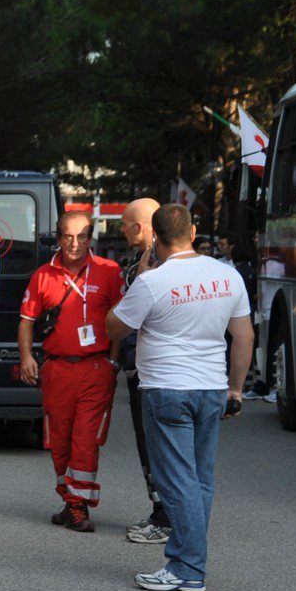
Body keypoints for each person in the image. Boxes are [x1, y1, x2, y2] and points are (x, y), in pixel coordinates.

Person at [107, 204, 252, 591]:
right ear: (193, 229)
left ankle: (187, 566)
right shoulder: (228, 275)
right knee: (200, 478)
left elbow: (115, 327)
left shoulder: (153, 281)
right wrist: (235, 390)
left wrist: (138, 278)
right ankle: (189, 561)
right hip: (211, 387)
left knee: (176, 481)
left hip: (167, 388)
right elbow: (244, 335)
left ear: (155, 237)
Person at [17, 212, 123, 532]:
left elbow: (122, 318)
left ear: (91, 237)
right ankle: (70, 500)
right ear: (58, 237)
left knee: (85, 438)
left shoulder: (109, 271)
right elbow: (26, 322)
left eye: (81, 236)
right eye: (67, 236)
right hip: (57, 368)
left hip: (95, 367)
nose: (74, 244)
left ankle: (79, 508)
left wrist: (113, 362)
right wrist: (26, 358)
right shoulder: (42, 275)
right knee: (59, 438)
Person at [117, 198, 173, 544]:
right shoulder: (145, 259)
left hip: (152, 368)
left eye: (125, 224)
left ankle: (167, 517)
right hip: (142, 366)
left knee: (157, 445)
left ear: (139, 226)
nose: (121, 230)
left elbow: (132, 316)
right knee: (147, 443)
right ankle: (159, 509)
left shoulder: (156, 263)